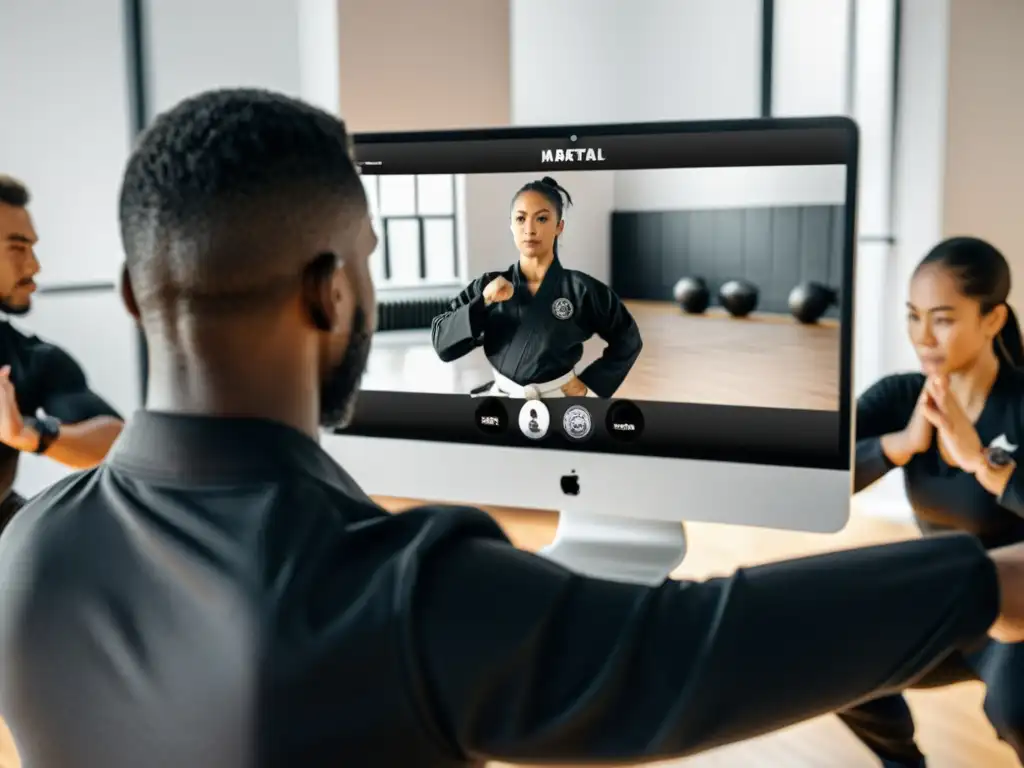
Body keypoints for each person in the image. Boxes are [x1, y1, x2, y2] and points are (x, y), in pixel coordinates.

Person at [3, 89, 1024, 768]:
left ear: (135, 298)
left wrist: (595, 389)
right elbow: (689, 651)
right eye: (361, 259)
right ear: (331, 294)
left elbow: (622, 347)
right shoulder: (398, 596)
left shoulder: (22, 553)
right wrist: (988, 580)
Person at [839, 236, 1024, 767]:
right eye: (913, 316)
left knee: (1015, 709)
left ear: (992, 320)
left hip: (1016, 607)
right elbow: (821, 476)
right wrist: (901, 445)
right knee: (833, 653)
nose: (923, 337)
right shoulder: (899, 397)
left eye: (942, 319)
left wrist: (980, 461)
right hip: (946, 598)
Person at [430, 176, 642, 399]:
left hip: (559, 401)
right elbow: (442, 345)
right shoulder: (488, 286)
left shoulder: (582, 290)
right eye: (521, 219)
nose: (529, 229)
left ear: (559, 226)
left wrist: (591, 384)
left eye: (541, 219)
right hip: (503, 401)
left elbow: (628, 340)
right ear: (511, 225)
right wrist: (483, 303)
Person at [0, 175, 124, 531]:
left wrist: (28, 433)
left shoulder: (32, 358)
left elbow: (117, 443)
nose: (34, 266)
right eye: (18, 247)